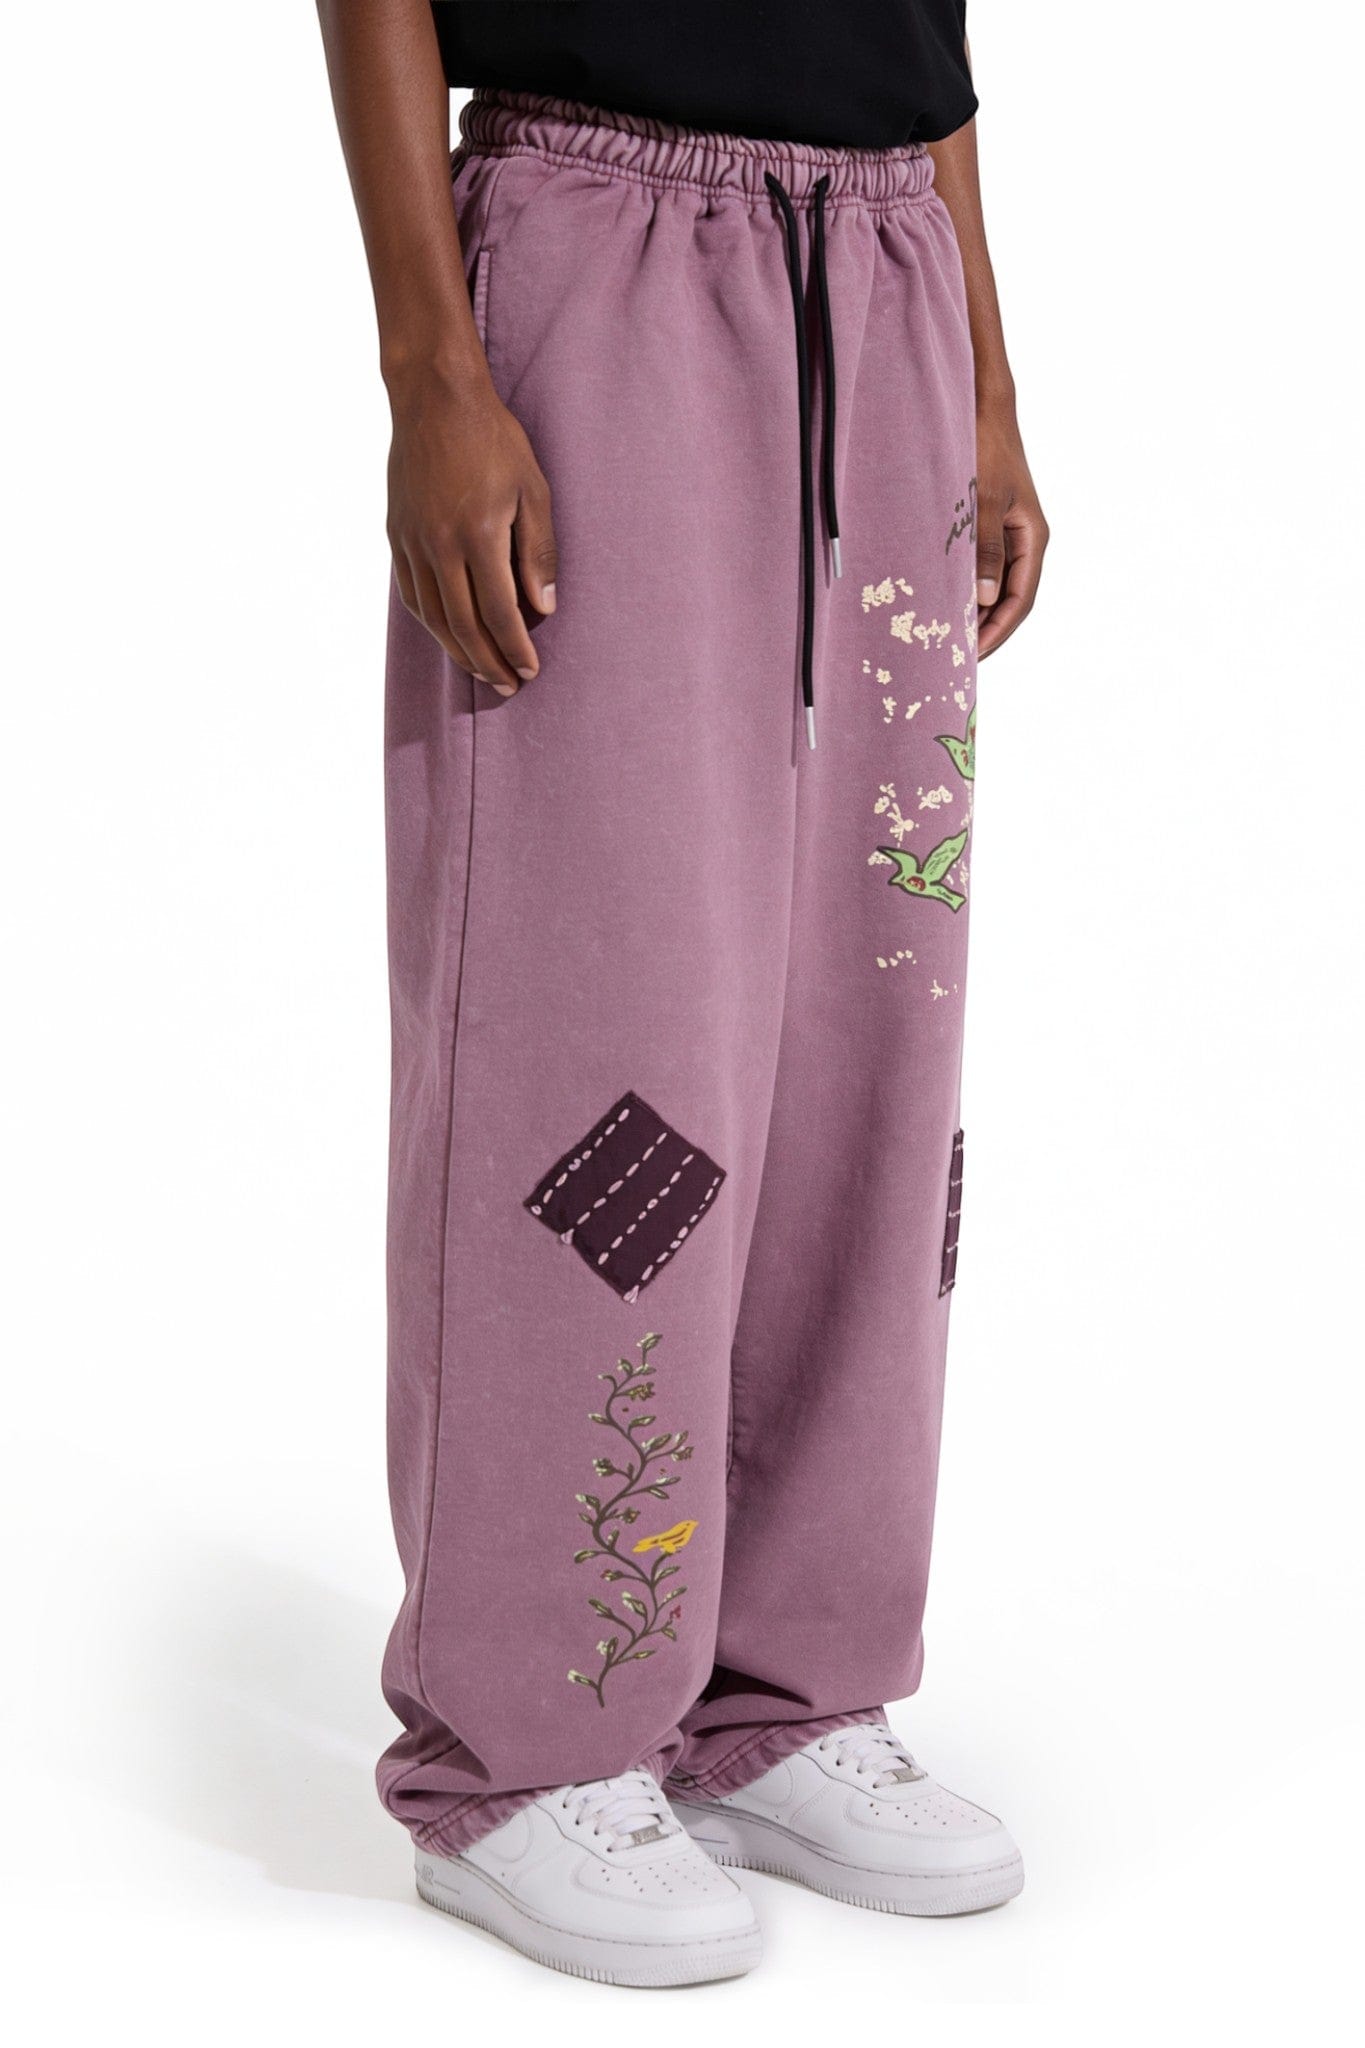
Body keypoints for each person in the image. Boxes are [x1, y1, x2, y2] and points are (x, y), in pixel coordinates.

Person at [317, 0, 1048, 1987]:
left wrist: (985, 383)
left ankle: (780, 1693)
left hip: (885, 264)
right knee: (589, 1029)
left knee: (861, 1042)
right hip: (596, 244)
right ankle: (523, 1743)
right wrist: (430, 372)